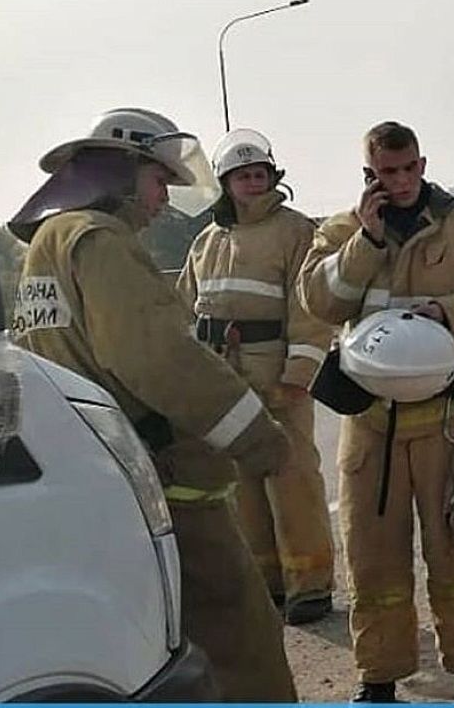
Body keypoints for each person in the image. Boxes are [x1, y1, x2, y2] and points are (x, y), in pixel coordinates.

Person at [8, 108, 298, 702]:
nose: (165, 197)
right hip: (165, 481)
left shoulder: (47, 245)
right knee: (239, 636)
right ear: (122, 171)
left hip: (95, 477)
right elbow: (158, 358)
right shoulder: (100, 239)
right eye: (159, 180)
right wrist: (260, 439)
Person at [297, 121, 454, 703]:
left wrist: (448, 313)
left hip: (447, 420)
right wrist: (365, 243)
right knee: (372, 558)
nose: (398, 182)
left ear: (422, 165)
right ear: (368, 173)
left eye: (407, 170)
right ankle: (378, 676)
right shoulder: (342, 231)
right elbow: (318, 301)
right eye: (384, 173)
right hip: (370, 423)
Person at [177, 129, 337, 626]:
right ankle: (268, 582)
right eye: (242, 176)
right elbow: (184, 306)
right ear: (224, 183)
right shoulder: (206, 240)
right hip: (223, 377)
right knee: (241, 481)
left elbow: (310, 311)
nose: (252, 182)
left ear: (273, 178)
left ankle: (309, 586)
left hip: (274, 373)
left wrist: (297, 376)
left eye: (260, 174)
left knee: (291, 479)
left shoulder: (295, 232)